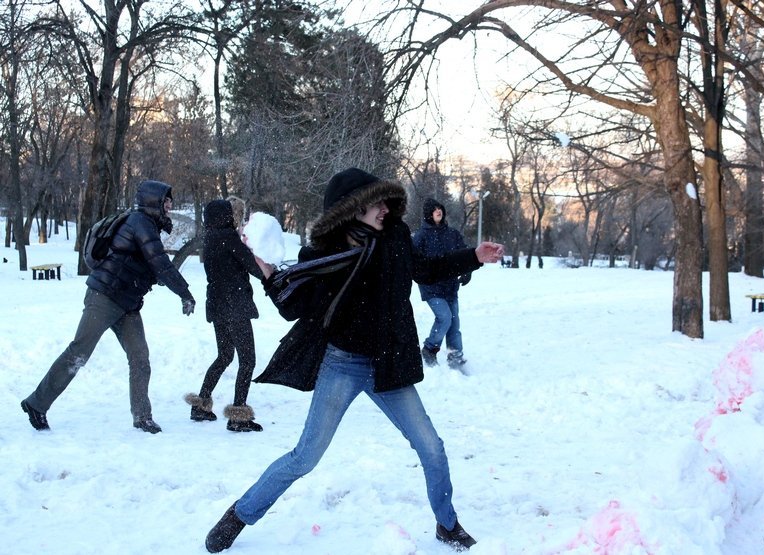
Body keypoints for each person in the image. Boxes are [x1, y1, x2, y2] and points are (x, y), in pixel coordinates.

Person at [204, 167, 504, 553]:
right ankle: (239, 515)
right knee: (304, 457)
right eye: (375, 202)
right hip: (342, 364)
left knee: (431, 446)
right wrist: (265, 271)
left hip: (388, 364)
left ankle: (447, 525)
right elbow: (294, 302)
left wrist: (473, 257)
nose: (384, 208)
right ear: (353, 208)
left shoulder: (395, 237)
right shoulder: (327, 251)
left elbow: (425, 269)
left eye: (385, 201)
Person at [20, 179, 196, 434]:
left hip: (127, 304)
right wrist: (185, 293)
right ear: (153, 201)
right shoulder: (140, 223)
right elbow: (160, 263)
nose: (170, 205)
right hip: (104, 298)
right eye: (166, 200)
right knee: (78, 352)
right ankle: (37, 403)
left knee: (140, 358)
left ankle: (142, 417)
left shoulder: (149, 225)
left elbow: (149, 266)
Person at [184, 199, 265, 432]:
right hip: (235, 306)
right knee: (247, 359)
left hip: (218, 306)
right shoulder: (229, 238)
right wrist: (274, 275)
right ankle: (239, 416)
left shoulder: (209, 240)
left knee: (225, 356)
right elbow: (255, 267)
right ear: (224, 216)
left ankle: (200, 405)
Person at [413, 198, 471, 369]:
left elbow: (464, 254)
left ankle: (455, 356)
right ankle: (430, 348)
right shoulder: (421, 236)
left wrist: (467, 271)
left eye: (440, 208)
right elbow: (415, 260)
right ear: (428, 214)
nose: (439, 211)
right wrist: (423, 275)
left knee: (454, 322)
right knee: (444, 318)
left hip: (450, 286)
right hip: (431, 287)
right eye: (435, 209)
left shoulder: (452, 234)